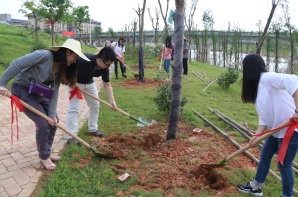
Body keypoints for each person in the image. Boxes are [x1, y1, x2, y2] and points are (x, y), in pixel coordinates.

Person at [0, 39, 89, 170]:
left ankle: (46, 152)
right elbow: (17, 63)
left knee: (54, 121)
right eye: (75, 57)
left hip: (37, 92)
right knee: (43, 124)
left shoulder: (60, 69)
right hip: (22, 89)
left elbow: (54, 93)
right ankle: (44, 156)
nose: (75, 61)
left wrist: (52, 114)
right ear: (68, 52)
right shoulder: (44, 55)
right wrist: (2, 83)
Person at [238, 53, 298, 197]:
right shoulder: (258, 89)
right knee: (264, 155)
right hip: (276, 130)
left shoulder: (268, 78)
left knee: (283, 164)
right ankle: (256, 186)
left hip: (291, 130)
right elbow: (264, 119)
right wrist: (257, 136)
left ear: (249, 68)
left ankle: (287, 195)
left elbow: (295, 82)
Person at [65, 47, 117, 144]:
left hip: (89, 83)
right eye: (108, 64)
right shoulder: (83, 60)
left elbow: (107, 85)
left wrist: (112, 101)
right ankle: (71, 136)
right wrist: (70, 82)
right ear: (100, 60)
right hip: (74, 82)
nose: (108, 67)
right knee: (74, 108)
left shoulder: (104, 67)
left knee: (95, 105)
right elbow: (67, 67)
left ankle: (93, 128)